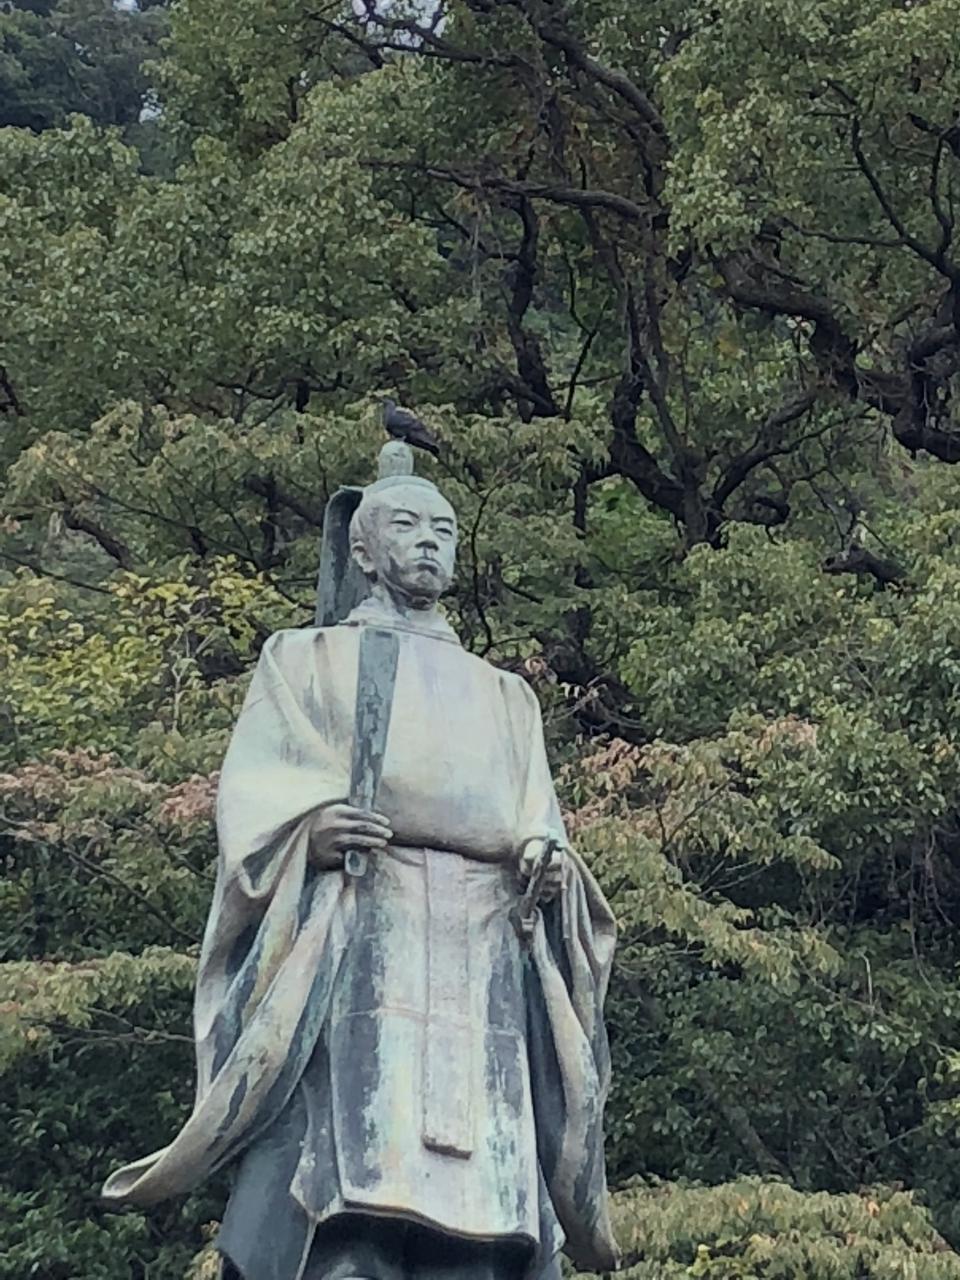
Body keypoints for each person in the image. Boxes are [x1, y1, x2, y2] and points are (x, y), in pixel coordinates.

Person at [102, 460, 619, 1280]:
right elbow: (259, 797)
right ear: (364, 551)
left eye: (443, 531)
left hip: (482, 945)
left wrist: (545, 866)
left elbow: (539, 825)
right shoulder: (305, 659)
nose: (429, 544)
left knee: (487, 1201)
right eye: (407, 527)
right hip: (361, 919)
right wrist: (310, 830)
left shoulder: (506, 696)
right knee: (340, 1165)